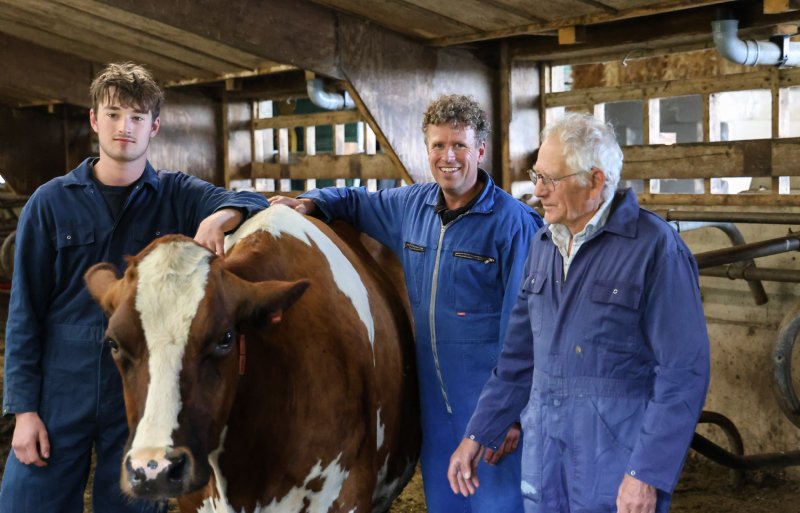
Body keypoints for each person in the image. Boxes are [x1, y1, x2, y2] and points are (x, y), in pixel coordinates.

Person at [0, 62, 269, 513]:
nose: (124, 127)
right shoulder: (50, 202)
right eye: (113, 115)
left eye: (137, 118)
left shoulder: (177, 195)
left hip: (144, 388)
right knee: (28, 502)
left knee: (135, 504)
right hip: (59, 386)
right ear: (93, 120)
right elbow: (25, 312)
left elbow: (251, 200)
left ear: (154, 127)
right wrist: (23, 410)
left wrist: (218, 217)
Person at [270, 94, 542, 512]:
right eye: (438, 145)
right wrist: (311, 203)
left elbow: (524, 326)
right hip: (433, 406)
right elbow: (355, 201)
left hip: (488, 405)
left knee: (497, 506)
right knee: (445, 504)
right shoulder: (411, 207)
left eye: (459, 145)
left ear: (480, 150)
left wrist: (511, 414)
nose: (447, 157)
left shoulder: (513, 224)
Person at [448, 112, 711, 513]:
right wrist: (478, 434)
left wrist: (647, 473)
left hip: (616, 463)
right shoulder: (543, 244)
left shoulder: (655, 248)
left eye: (551, 180)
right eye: (537, 175)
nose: (538, 190)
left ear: (596, 181)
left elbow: (683, 372)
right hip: (545, 458)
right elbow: (518, 360)